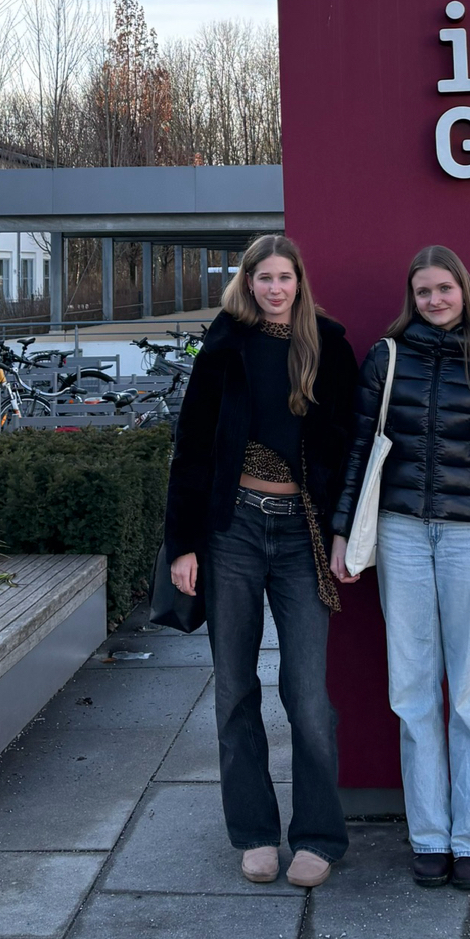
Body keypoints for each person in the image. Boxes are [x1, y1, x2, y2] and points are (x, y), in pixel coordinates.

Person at [329, 245, 470, 890]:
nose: (434, 300)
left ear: (465, 290)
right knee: (412, 689)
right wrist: (342, 533)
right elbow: (360, 449)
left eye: (444, 288)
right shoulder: (387, 360)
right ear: (411, 298)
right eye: (423, 292)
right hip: (400, 536)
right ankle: (429, 835)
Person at [164, 232, 360, 887]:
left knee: (306, 696)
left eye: (284, 277)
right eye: (263, 278)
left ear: (299, 282)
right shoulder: (225, 342)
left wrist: (342, 533)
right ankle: (252, 830)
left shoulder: (326, 344)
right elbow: (192, 446)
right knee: (234, 687)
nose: (274, 289)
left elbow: (350, 449)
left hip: (302, 534)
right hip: (234, 532)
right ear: (246, 283)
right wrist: (183, 544)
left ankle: (317, 835)